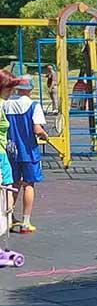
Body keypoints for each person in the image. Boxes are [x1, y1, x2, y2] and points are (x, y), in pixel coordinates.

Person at [3, 75, 48, 234]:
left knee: (12, 184)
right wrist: (45, 135)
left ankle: (8, 218)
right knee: (29, 184)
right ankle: (26, 222)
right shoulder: (34, 105)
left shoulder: (7, 104)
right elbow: (37, 129)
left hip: (11, 150)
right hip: (29, 150)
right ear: (30, 89)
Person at [0, 71, 16, 218]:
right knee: (7, 187)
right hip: (1, 154)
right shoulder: (1, 105)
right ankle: (7, 217)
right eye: (10, 88)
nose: (12, 91)